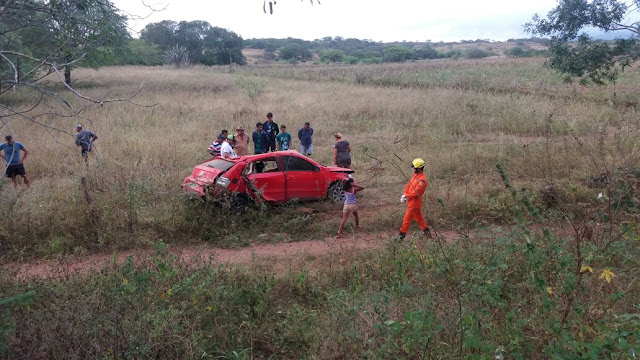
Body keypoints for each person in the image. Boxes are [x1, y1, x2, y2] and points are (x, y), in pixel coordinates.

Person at [398, 158, 431, 240]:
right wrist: (405, 194)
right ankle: (427, 232)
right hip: (411, 202)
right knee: (419, 219)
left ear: (419, 168)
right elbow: (408, 186)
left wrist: (407, 196)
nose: (413, 169)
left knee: (406, 220)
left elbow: (417, 192)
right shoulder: (415, 176)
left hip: (415, 204)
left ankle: (401, 237)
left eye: (414, 168)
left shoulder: (422, 180)